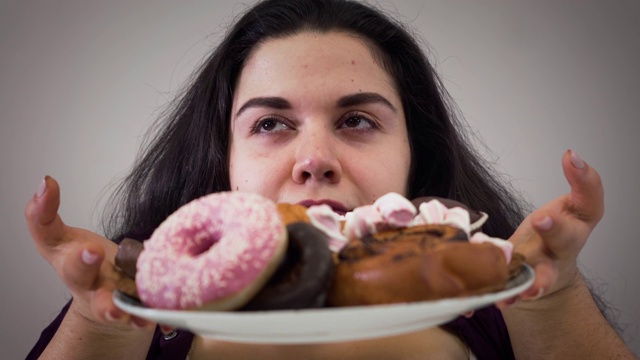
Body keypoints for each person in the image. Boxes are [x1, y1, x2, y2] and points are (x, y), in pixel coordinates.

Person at [25, 0, 635, 358]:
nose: (314, 159)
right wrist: (98, 325)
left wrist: (551, 303)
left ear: (411, 150)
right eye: (269, 123)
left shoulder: (492, 291)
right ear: (224, 158)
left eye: (357, 119)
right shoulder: (142, 304)